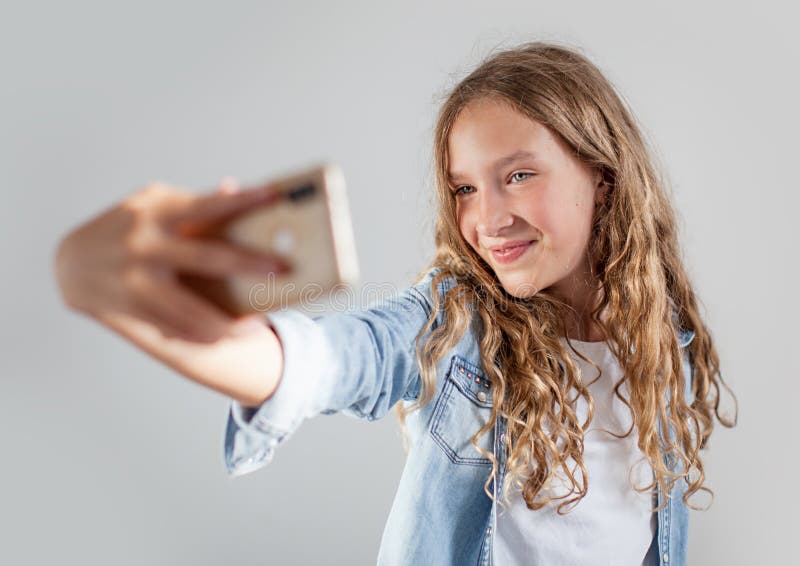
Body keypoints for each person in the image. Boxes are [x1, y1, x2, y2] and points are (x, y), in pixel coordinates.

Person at [53, 41, 736, 566]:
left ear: (604, 179)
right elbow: (332, 360)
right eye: (465, 189)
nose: (487, 218)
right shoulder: (460, 325)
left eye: (518, 175)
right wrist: (135, 299)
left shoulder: (661, 342)